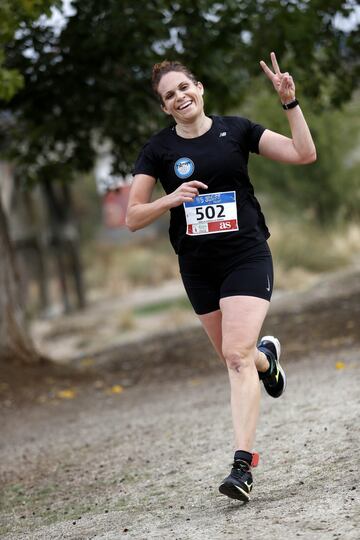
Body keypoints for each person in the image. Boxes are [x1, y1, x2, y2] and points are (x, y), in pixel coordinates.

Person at [126, 52, 316, 502]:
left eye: (184, 88)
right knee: (238, 357)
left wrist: (290, 104)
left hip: (246, 255)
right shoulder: (158, 150)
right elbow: (133, 217)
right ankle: (267, 361)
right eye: (169, 95)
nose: (179, 97)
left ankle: (242, 467)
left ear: (200, 88)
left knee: (234, 356)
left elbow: (304, 154)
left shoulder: (238, 130)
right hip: (197, 266)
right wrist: (170, 200)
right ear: (164, 107)